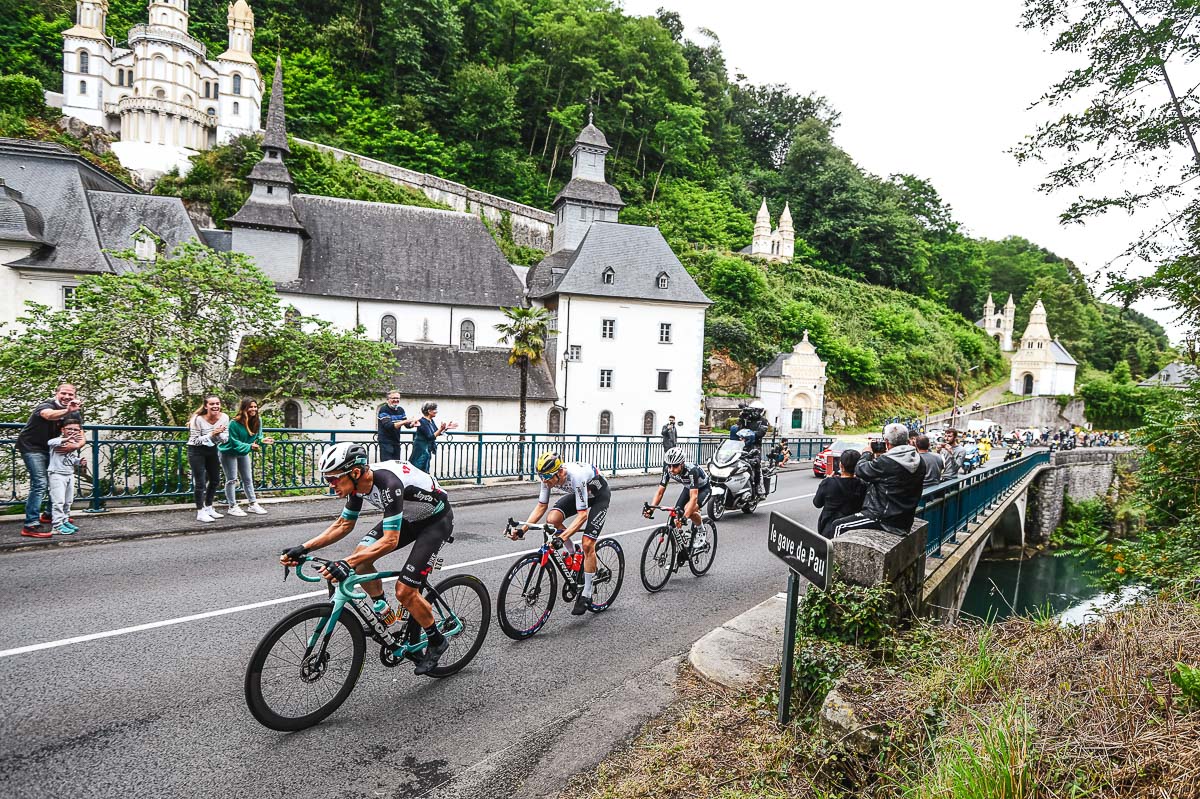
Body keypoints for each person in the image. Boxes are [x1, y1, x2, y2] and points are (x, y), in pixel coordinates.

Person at [279, 443, 455, 676]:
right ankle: (382, 609)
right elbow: (343, 525)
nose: (330, 485)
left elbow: (390, 541)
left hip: (435, 522)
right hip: (408, 518)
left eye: (333, 479)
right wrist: (303, 547)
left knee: (405, 591)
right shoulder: (357, 485)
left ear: (354, 473)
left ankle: (436, 640)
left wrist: (345, 563)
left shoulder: (388, 484)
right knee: (361, 557)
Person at [510, 452, 611, 616]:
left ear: (560, 472)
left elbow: (582, 516)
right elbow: (541, 507)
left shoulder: (576, 476)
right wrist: (523, 530)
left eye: (548, 478)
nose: (545, 482)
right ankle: (573, 552)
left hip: (599, 496)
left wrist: (561, 538)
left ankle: (587, 592)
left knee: (587, 544)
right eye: (541, 477)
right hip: (582, 495)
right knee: (552, 519)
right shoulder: (547, 478)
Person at [830, 423, 926, 538]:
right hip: (905, 519)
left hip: (883, 518)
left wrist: (867, 453)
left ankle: (831, 556)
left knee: (837, 526)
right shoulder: (919, 460)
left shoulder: (886, 462)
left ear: (886, 442)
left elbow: (860, 470)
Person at [16, 384, 83, 538]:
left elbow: (80, 433)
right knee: (40, 483)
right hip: (32, 447)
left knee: (56, 481)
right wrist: (67, 411)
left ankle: (49, 515)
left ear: (74, 396)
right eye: (63, 393)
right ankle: (30, 525)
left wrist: (75, 445)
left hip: (52, 450)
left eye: (70, 395)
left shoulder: (74, 412)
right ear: (56, 393)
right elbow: (48, 415)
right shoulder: (46, 405)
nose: (67, 397)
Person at [642, 446, 710, 553]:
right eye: (669, 465)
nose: (671, 469)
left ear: (682, 463)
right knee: (676, 513)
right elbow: (660, 492)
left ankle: (701, 530)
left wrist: (685, 517)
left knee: (689, 510)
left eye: (675, 466)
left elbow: (694, 497)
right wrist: (651, 509)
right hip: (688, 488)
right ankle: (681, 547)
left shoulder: (692, 471)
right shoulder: (668, 470)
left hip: (703, 489)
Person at [218, 398, 274, 516]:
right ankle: (232, 506)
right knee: (232, 479)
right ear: (244, 408)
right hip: (229, 452)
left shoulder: (257, 420)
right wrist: (250, 446)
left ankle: (252, 504)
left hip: (243, 452)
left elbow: (258, 437)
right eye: (250, 407)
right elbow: (234, 442)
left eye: (255, 407)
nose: (253, 409)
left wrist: (263, 440)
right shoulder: (235, 423)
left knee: (248, 479)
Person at [187, 396, 229, 523]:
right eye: (212, 404)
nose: (215, 406)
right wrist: (212, 434)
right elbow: (195, 440)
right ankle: (200, 511)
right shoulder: (197, 419)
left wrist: (219, 434)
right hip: (196, 450)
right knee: (200, 482)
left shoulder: (224, 417)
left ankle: (209, 507)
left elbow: (225, 439)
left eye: (217, 403)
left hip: (212, 450)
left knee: (215, 479)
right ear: (206, 406)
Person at [812, 447, 866, 538]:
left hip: (829, 528)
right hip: (852, 529)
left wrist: (825, 481)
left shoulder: (828, 482)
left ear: (841, 465)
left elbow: (817, 503)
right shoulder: (863, 485)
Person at [46, 417, 85, 535]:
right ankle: (57, 526)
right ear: (63, 429)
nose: (72, 431)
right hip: (57, 474)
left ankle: (65, 520)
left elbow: (70, 459)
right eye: (69, 429)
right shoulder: (57, 441)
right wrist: (66, 439)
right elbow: (49, 442)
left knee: (68, 501)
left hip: (69, 473)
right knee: (58, 501)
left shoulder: (73, 444)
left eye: (75, 430)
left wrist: (79, 461)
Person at [410, 402, 456, 473]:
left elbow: (436, 432)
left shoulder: (430, 421)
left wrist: (446, 428)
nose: (436, 411)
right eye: (434, 409)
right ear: (429, 411)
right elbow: (430, 437)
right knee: (419, 470)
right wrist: (441, 429)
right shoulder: (422, 422)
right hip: (421, 450)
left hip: (427, 449)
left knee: (425, 469)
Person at [376, 391, 414, 462]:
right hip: (385, 442)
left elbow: (407, 425)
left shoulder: (401, 410)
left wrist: (413, 424)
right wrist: (405, 421)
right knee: (387, 465)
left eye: (398, 398)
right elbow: (388, 426)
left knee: (396, 464)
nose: (396, 400)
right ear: (388, 399)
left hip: (396, 441)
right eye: (393, 398)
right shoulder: (383, 409)